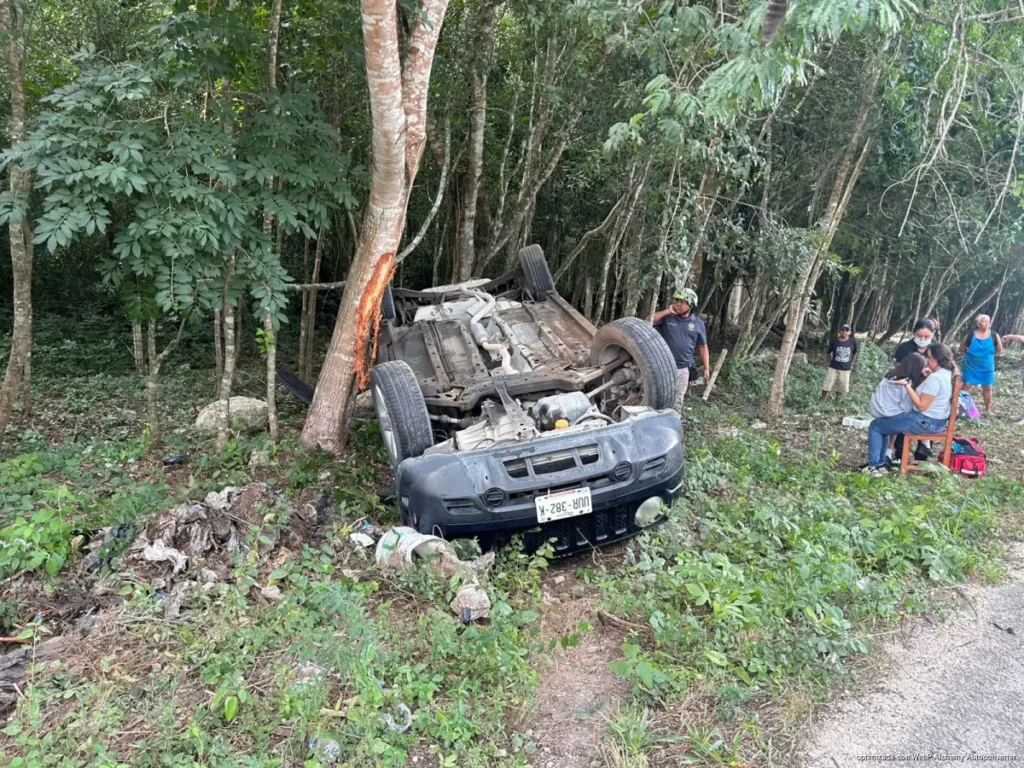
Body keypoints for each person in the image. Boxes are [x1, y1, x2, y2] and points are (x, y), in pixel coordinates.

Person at [863, 343, 956, 475]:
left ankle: (873, 466)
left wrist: (907, 385)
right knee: (884, 426)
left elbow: (922, 405)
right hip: (937, 422)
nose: (927, 361)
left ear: (936, 359)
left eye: (929, 358)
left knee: (876, 426)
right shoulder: (947, 374)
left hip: (923, 421)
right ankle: (881, 463)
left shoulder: (936, 378)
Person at [867, 352, 929, 466]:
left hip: (877, 408)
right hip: (888, 411)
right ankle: (874, 464)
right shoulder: (906, 383)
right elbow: (906, 407)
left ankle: (880, 461)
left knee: (882, 429)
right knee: (876, 427)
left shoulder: (890, 375)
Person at [653, 288, 710, 405]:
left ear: (691, 305)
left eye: (682, 302)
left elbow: (703, 347)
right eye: (677, 300)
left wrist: (706, 368)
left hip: (682, 370)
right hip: (662, 367)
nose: (677, 304)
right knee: (656, 399)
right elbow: (647, 321)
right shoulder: (667, 317)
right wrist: (666, 312)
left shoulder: (698, 324)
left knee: (676, 402)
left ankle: (673, 422)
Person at [959, 314, 1002, 413]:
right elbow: (961, 349)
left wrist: (987, 355)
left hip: (987, 366)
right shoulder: (969, 336)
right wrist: (972, 354)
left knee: (987, 387)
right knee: (966, 386)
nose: (987, 323)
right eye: (984, 321)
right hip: (970, 365)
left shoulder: (994, 335)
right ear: (978, 324)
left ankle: (987, 409)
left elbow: (999, 349)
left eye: (988, 321)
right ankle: (969, 410)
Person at [821, 324, 858, 403]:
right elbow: (828, 352)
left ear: (850, 332)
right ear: (840, 331)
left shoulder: (852, 341)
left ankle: (837, 399)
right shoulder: (834, 341)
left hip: (846, 368)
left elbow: (855, 353)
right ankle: (823, 398)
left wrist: (852, 363)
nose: (844, 332)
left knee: (842, 384)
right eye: (842, 330)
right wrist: (830, 362)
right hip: (833, 366)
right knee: (827, 382)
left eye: (846, 330)